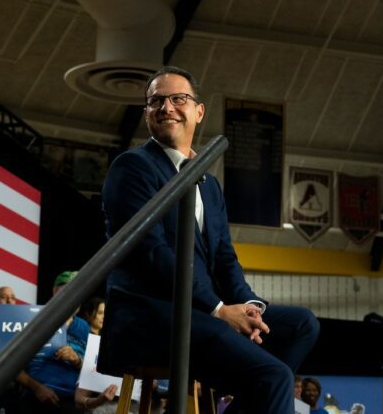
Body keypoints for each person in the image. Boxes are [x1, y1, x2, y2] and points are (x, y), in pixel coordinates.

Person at [98, 66, 320, 413]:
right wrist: (218, 310)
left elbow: (224, 257)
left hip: (200, 312)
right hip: (151, 316)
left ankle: (257, 390)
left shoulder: (209, 183)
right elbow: (152, 254)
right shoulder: (132, 167)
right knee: (275, 378)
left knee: (301, 325)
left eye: (178, 99)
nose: (166, 107)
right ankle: (262, 386)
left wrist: (249, 306)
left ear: (198, 112)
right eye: (156, 101)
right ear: (146, 114)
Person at [18, 271, 90, 413]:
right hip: (35, 398)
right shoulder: (32, 318)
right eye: (66, 290)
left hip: (70, 402)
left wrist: (77, 360)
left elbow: (90, 371)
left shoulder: (84, 326)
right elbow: (9, 365)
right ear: (54, 291)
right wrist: (37, 388)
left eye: (78, 290)